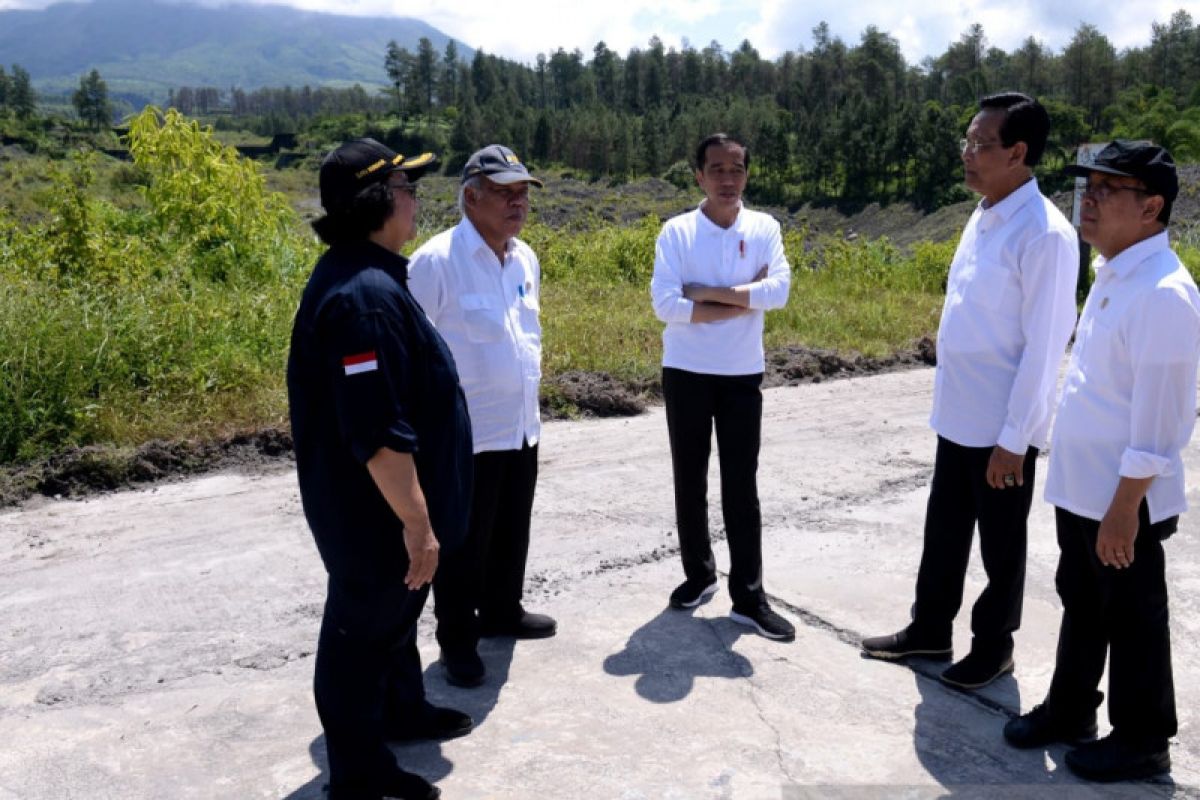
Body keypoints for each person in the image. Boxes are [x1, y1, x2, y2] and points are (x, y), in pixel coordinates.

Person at [861, 93, 1078, 688]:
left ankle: (994, 647)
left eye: (981, 145)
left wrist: (1015, 440)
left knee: (1000, 547)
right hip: (959, 414)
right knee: (945, 531)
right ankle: (930, 627)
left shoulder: (1045, 235)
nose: (968, 154)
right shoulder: (984, 213)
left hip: (1003, 426)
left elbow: (1044, 348)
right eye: (967, 141)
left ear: (1018, 152)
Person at [1003, 142, 1199, 782]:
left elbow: (1162, 425)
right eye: (1086, 188)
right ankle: (1070, 711)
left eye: (1106, 191)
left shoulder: (1165, 293)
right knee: (1083, 603)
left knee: (1134, 618)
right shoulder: (1115, 272)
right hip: (1084, 489)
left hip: (1123, 501)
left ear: (1151, 207)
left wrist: (1124, 511)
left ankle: (1143, 740)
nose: (1087, 201)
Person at [287, 138, 474, 800]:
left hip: (389, 516)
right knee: (358, 638)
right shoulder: (362, 297)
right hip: (375, 519)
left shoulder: (375, 276)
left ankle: (402, 710)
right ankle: (359, 771)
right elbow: (377, 434)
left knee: (395, 623)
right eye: (406, 186)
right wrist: (418, 524)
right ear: (378, 200)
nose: (415, 198)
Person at [408, 144, 555, 689]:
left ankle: (503, 611)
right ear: (470, 197)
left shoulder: (524, 257)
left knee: (512, 530)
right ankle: (458, 642)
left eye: (522, 193)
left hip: (519, 426)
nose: (517, 203)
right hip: (464, 437)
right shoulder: (436, 261)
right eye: (503, 193)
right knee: (463, 545)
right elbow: (412, 354)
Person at [649, 132, 795, 641]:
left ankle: (749, 597)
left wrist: (708, 295)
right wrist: (743, 299)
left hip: (741, 374)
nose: (727, 179)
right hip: (686, 371)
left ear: (746, 174)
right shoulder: (677, 232)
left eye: (736, 169)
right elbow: (666, 305)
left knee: (741, 485)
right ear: (698, 176)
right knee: (690, 480)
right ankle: (699, 574)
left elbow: (778, 292)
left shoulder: (764, 228)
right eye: (716, 169)